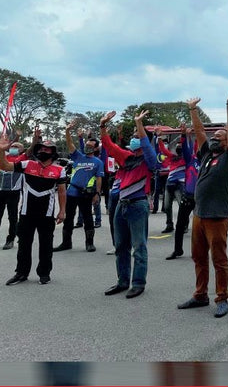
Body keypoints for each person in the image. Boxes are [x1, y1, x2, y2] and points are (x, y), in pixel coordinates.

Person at [177, 89, 228, 318]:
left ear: (227, 143)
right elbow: (200, 131)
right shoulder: (206, 156)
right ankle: (200, 295)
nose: (215, 139)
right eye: (215, 137)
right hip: (199, 215)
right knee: (199, 258)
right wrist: (193, 109)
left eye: (219, 138)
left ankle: (222, 298)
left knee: (219, 260)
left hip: (217, 216)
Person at [0, 122, 67, 286]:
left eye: (47, 149)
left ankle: (44, 273)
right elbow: (4, 165)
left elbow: (62, 191)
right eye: (41, 149)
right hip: (26, 213)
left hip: (47, 215)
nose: (43, 151)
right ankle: (21, 273)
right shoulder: (27, 164)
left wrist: (62, 211)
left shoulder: (59, 170)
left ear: (53, 152)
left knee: (46, 245)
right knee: (23, 244)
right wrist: (1, 150)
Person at [99, 109, 159, 299]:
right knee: (120, 246)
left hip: (138, 205)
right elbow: (108, 145)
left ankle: (138, 283)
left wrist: (140, 124)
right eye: (133, 135)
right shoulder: (126, 157)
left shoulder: (149, 160)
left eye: (137, 136)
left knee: (139, 247)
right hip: (121, 205)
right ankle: (122, 281)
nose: (133, 139)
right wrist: (102, 126)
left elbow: (148, 149)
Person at [0, 132, 31, 251]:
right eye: (12, 146)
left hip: (13, 192)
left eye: (16, 147)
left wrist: (31, 139)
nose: (13, 148)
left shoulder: (21, 159)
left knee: (12, 217)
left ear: (21, 150)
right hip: (0, 191)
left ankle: (10, 240)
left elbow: (29, 150)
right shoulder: (4, 156)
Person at [59, 122, 103, 253]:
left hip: (86, 194)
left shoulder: (98, 162)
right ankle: (66, 243)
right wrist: (67, 131)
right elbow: (70, 144)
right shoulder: (78, 156)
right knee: (68, 218)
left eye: (90, 146)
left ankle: (89, 243)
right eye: (87, 145)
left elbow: (99, 178)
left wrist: (97, 194)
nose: (87, 147)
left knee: (88, 218)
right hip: (71, 193)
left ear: (95, 149)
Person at [167, 125, 198, 260]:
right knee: (180, 226)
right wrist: (185, 135)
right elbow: (187, 149)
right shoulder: (190, 160)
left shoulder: (209, 162)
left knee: (199, 228)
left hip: (201, 198)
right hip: (188, 196)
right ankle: (177, 250)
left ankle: (198, 251)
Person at [157, 136, 186, 234]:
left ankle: (184, 224)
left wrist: (184, 136)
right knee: (167, 206)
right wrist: (159, 138)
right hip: (169, 184)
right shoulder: (172, 157)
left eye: (180, 146)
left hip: (179, 185)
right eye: (177, 146)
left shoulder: (186, 159)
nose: (178, 147)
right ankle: (169, 224)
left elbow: (189, 148)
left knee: (182, 206)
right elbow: (163, 150)